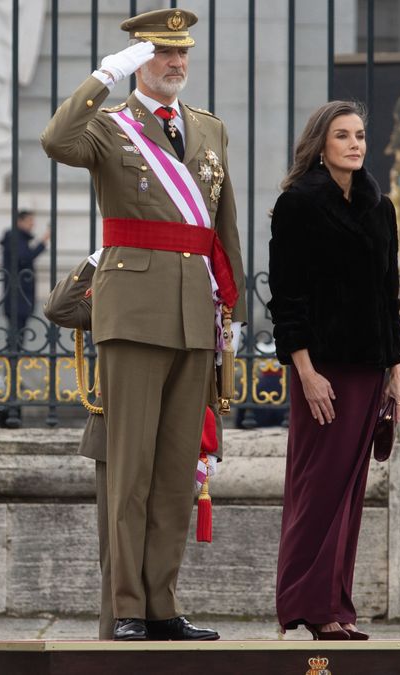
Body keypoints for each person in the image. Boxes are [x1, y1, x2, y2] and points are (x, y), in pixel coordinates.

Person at [41, 7, 245, 641]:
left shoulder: (209, 130)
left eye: (182, 54)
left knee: (175, 470)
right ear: (139, 60)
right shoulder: (108, 127)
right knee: (128, 473)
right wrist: (105, 76)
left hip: (193, 314)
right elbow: (55, 141)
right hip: (132, 313)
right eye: (163, 54)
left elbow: (222, 226)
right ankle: (127, 606)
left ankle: (163, 604)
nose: (176, 64)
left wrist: (231, 312)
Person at [268, 101, 400, 641]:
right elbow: (288, 297)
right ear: (320, 144)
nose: (355, 144)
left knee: (348, 497)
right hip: (322, 372)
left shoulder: (379, 206)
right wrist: (304, 370)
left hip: (369, 370)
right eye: (343, 135)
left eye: (360, 135)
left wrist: (396, 371)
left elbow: (385, 297)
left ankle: (334, 607)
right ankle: (303, 603)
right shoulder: (298, 204)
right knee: (317, 489)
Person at [44, 254, 223, 640]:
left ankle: (162, 616)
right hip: (119, 431)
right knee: (119, 551)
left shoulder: (186, 281)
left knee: (164, 532)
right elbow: (60, 308)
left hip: (170, 433)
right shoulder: (117, 281)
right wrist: (99, 258)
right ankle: (116, 644)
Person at [0, 210, 48, 428]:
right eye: (29, 221)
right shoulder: (14, 238)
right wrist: (42, 243)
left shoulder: (18, 238)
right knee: (14, 348)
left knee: (16, 347)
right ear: (20, 221)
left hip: (22, 301)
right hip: (16, 301)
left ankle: (11, 390)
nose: (31, 225)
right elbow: (23, 259)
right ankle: (6, 394)